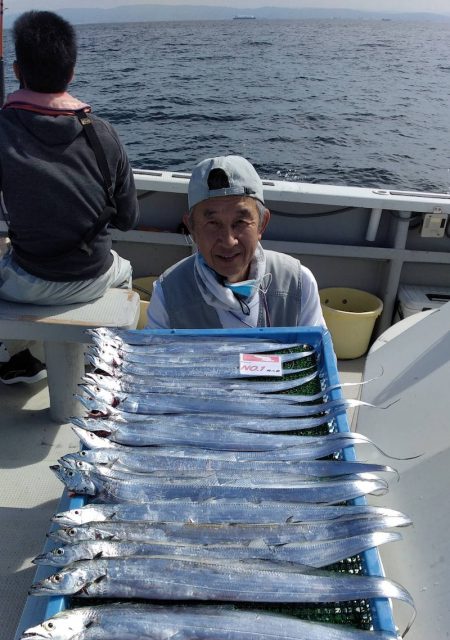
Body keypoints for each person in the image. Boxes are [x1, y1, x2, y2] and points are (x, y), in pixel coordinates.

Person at [0, 10, 139, 384]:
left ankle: (20, 358)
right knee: (124, 271)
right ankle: (105, 363)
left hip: (27, 283)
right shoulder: (103, 133)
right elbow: (128, 219)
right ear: (72, 73)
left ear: (17, 70)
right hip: (95, 276)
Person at [146, 154, 325, 330]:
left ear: (262, 224)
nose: (228, 241)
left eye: (240, 222)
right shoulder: (168, 292)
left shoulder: (299, 283)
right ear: (192, 228)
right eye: (213, 223)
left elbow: (316, 349)